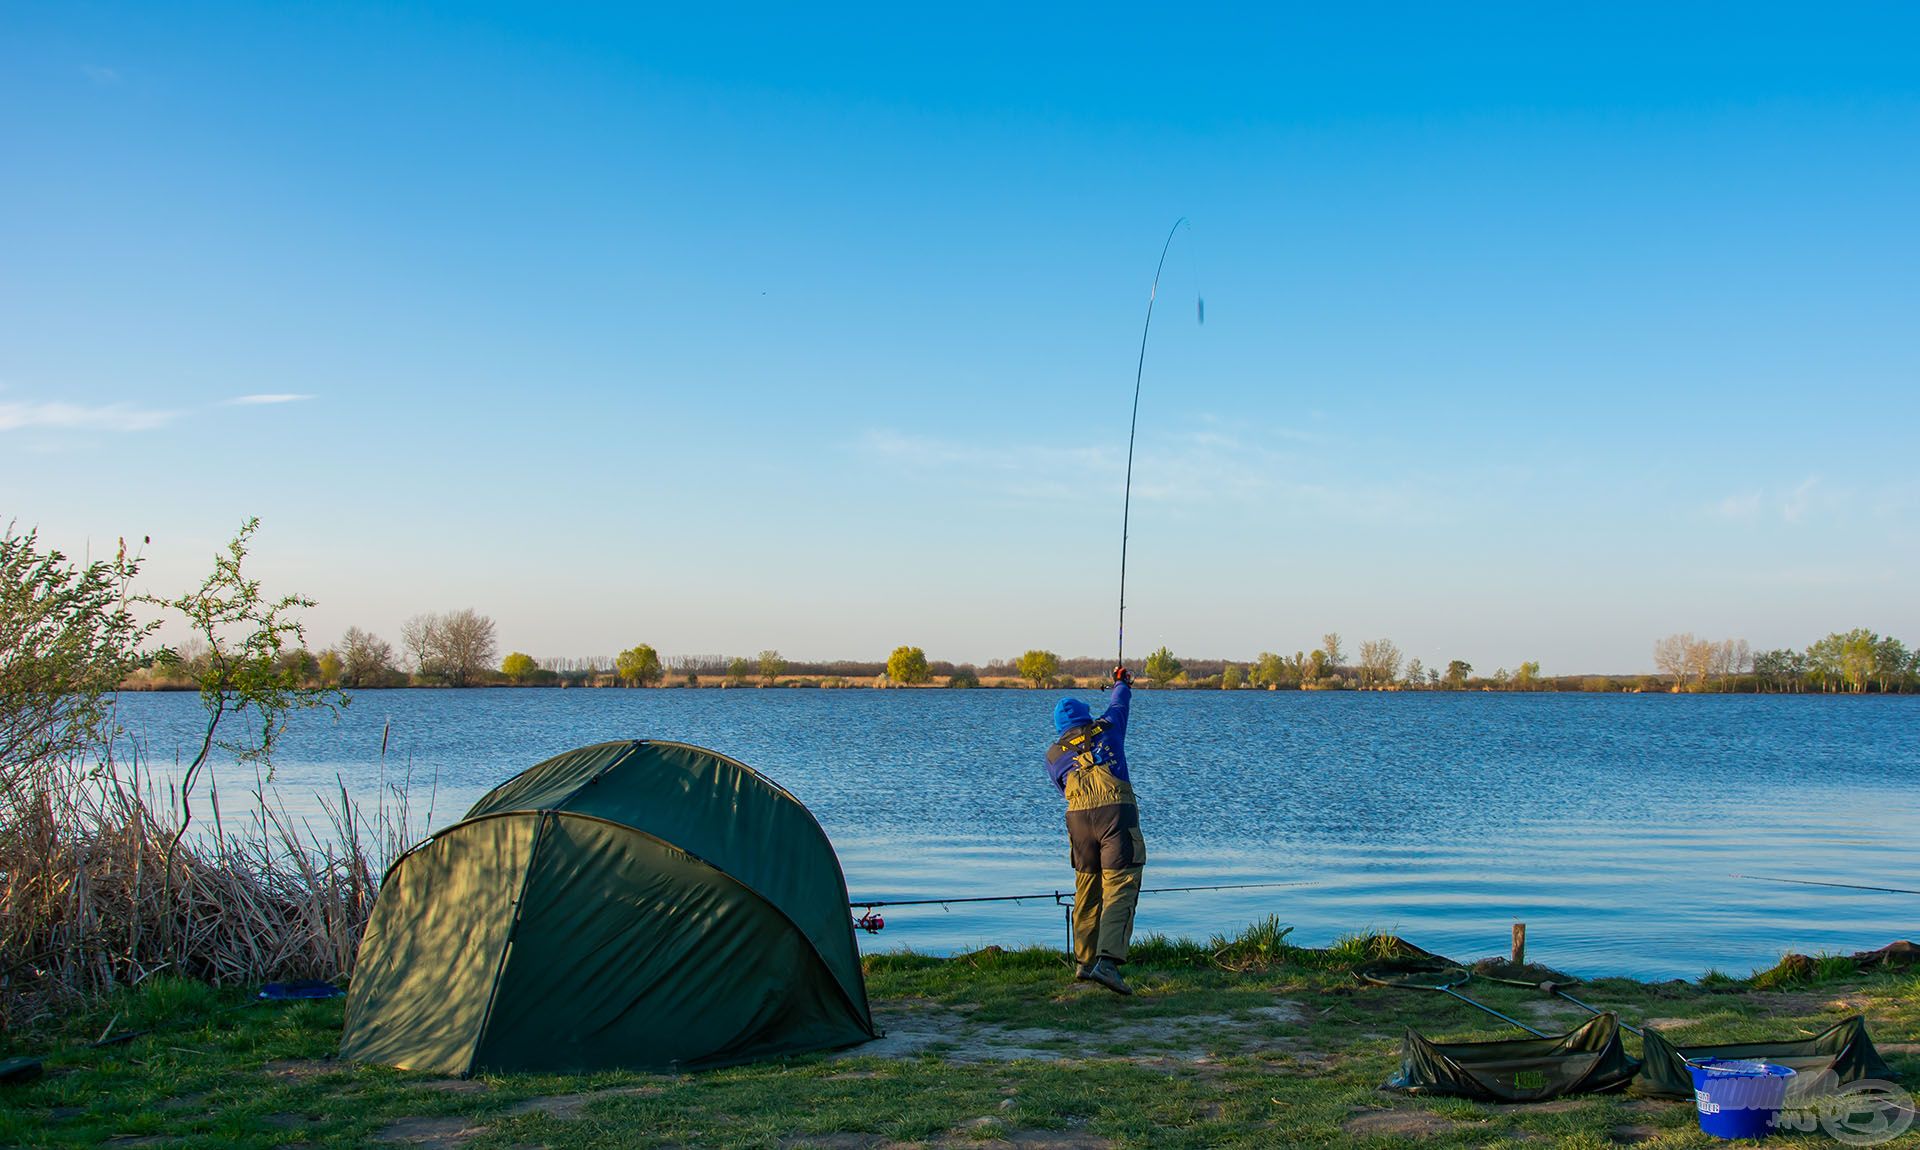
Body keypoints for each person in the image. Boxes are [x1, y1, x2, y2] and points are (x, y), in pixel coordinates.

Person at [1045, 665, 1145, 995]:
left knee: (1086, 888)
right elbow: (1120, 704)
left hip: (1078, 821)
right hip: (1116, 815)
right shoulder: (1108, 727)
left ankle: (1084, 963)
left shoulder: (1054, 755)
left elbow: (1063, 790)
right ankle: (1108, 963)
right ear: (1086, 717)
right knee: (1120, 885)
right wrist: (1121, 682)